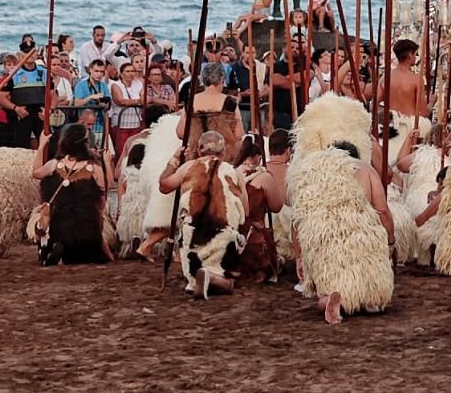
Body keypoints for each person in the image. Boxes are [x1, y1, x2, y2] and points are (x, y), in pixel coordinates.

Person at [289, 140, 394, 324]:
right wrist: (391, 241)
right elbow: (383, 212)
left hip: (328, 246)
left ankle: (330, 300)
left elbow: (297, 221)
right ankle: (370, 302)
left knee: (326, 289)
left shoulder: (313, 175)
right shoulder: (366, 170)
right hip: (363, 241)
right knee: (372, 288)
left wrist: (299, 257)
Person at [158, 130, 247, 299]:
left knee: (190, 243)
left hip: (192, 236)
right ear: (223, 151)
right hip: (224, 236)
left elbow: (164, 185)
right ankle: (213, 278)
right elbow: (246, 210)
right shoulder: (234, 172)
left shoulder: (188, 167)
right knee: (228, 279)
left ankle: (198, 278)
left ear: (199, 150)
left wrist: (174, 159)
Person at [30, 125, 111, 265]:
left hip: (60, 228)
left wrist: (42, 145)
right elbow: (102, 199)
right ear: (85, 143)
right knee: (92, 252)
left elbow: (36, 173)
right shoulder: (94, 167)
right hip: (88, 232)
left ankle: (55, 252)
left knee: (52, 235)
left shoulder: (55, 164)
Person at [232, 136, 285, 284]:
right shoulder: (264, 177)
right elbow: (277, 206)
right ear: (259, 156)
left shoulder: (229, 173)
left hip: (230, 241)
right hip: (253, 243)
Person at [177, 63, 244, 163]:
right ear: (221, 80)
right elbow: (239, 134)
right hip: (223, 159)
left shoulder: (190, 102)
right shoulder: (230, 103)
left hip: (196, 159)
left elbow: (181, 133)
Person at [0, 50, 47, 149]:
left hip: (41, 114)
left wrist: (49, 110)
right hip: (21, 114)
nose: (30, 55)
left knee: (48, 146)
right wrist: (15, 108)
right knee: (21, 147)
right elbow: (1, 98)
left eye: (32, 51)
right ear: (21, 55)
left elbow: (53, 95)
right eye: (26, 52)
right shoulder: (14, 74)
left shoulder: (44, 72)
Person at [109, 62, 145, 158]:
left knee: (134, 150)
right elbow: (120, 101)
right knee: (121, 151)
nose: (130, 73)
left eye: (132, 71)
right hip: (121, 123)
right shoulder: (116, 85)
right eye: (127, 71)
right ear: (121, 74)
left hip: (136, 122)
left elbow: (145, 99)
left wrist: (132, 102)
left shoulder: (138, 83)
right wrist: (137, 101)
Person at [72, 60, 111, 147]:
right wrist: (91, 97)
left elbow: (107, 105)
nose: (99, 74)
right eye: (96, 71)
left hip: (100, 125)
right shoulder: (81, 85)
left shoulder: (103, 85)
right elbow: (77, 103)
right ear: (90, 70)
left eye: (101, 72)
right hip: (84, 126)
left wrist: (102, 102)